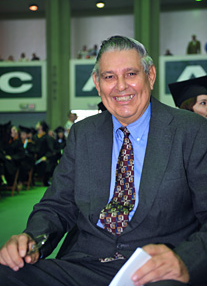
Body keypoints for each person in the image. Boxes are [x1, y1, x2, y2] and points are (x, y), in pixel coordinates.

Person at [0, 35, 207, 286]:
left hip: (153, 269)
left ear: (150, 76)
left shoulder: (191, 130)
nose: (121, 86)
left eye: (131, 74)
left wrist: (185, 260)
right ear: (97, 84)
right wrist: (32, 239)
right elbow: (58, 205)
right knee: (7, 272)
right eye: (109, 77)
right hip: (85, 264)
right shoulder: (83, 133)